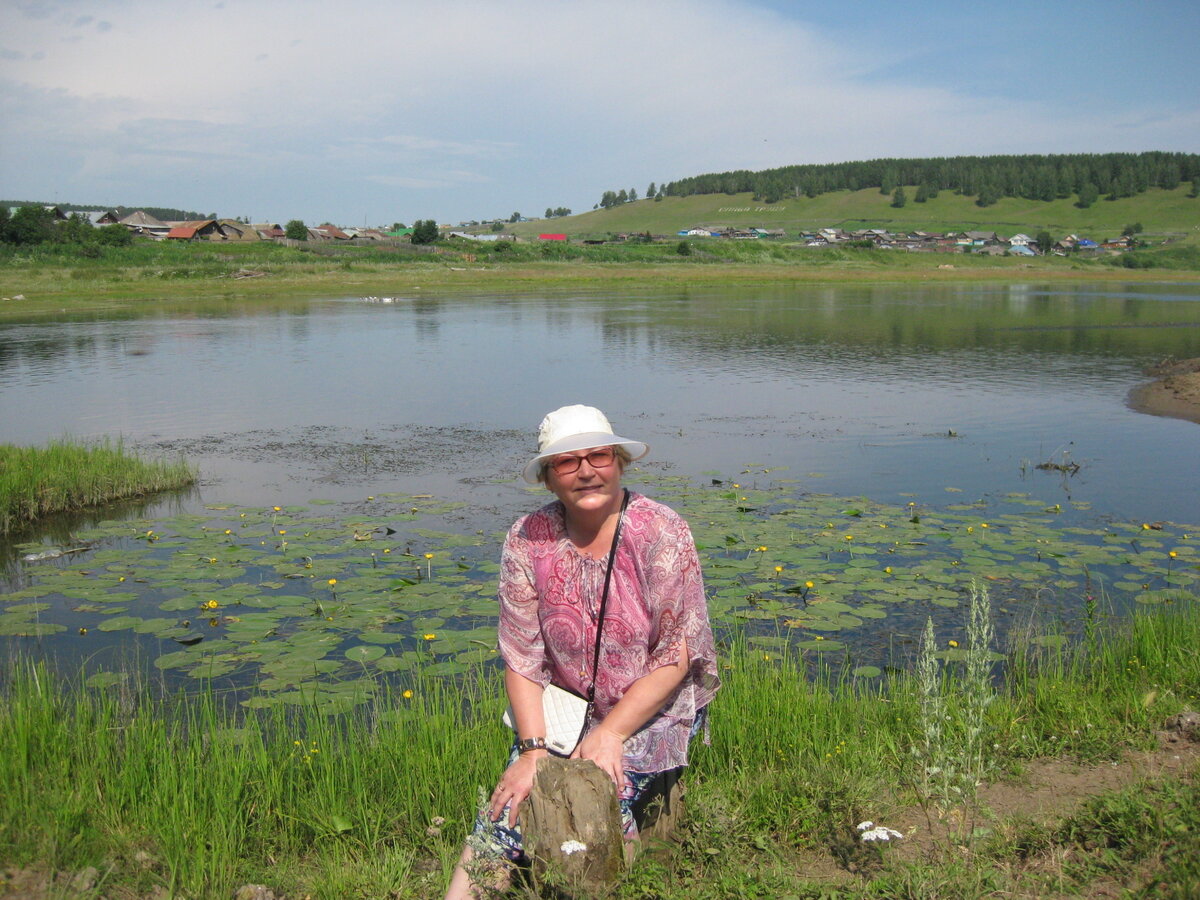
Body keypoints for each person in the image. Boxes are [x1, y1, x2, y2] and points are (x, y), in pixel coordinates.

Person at [445, 405, 720, 898]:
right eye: (568, 462)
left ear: (619, 463)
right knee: (506, 811)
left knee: (600, 807)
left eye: (599, 456)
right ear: (549, 479)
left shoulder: (660, 531)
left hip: (649, 706)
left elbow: (676, 656)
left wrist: (611, 734)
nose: (587, 471)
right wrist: (531, 751)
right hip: (566, 710)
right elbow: (522, 657)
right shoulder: (527, 539)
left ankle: (621, 882)